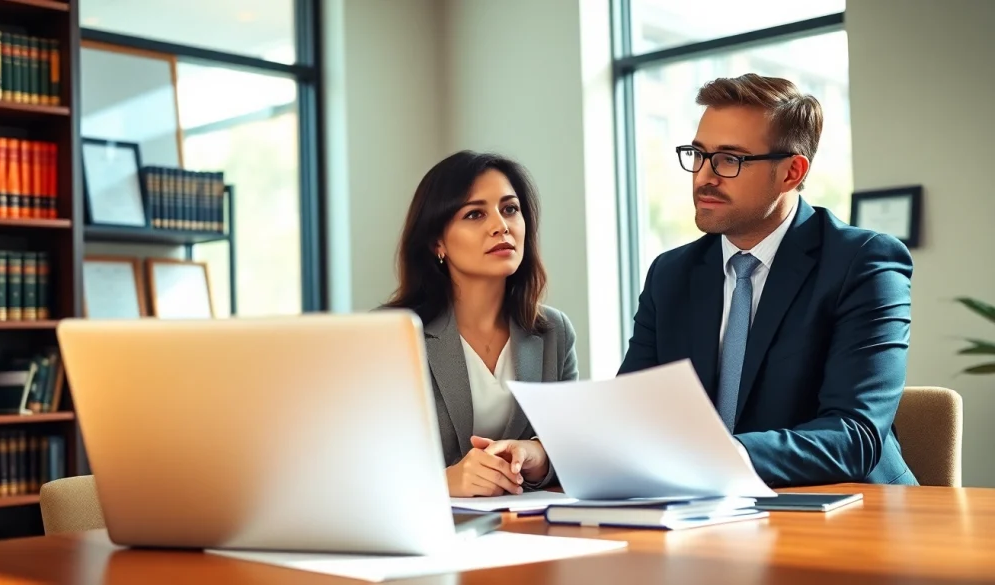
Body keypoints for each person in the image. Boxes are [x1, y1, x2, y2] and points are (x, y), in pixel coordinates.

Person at [619, 73, 918, 487]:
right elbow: (629, 411)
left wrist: (724, 456)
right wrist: (542, 453)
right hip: (706, 510)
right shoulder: (670, 274)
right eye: (698, 154)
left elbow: (855, 435)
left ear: (791, 172)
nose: (705, 176)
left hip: (847, 511)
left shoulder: (863, 262)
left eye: (729, 159)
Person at [383, 150, 578, 497]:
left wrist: (538, 455)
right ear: (437, 242)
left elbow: (572, 447)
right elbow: (364, 466)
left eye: (510, 209)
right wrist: (444, 483)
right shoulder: (390, 336)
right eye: (475, 214)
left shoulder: (554, 332)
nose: (500, 226)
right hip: (426, 535)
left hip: (527, 530)